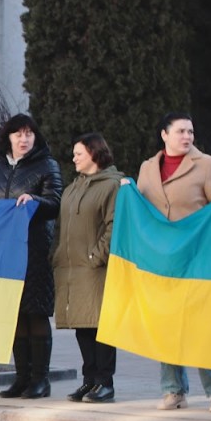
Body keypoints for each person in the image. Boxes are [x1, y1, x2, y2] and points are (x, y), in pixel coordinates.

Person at [137, 112, 211, 411]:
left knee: (203, 325)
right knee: (168, 324)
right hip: (163, 259)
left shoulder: (206, 164)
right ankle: (173, 390)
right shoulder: (147, 168)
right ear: (164, 135)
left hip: (198, 256)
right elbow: (140, 208)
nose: (187, 137)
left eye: (190, 131)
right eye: (180, 131)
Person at [0, 112, 63, 399]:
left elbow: (56, 202)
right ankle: (21, 377)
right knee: (15, 315)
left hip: (35, 250)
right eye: (18, 133)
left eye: (29, 133)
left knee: (36, 312)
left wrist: (35, 201)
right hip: (4, 252)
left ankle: (40, 380)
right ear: (8, 137)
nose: (24, 139)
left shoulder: (47, 165)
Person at [54, 134, 120, 403]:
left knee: (100, 326)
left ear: (94, 154)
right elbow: (61, 225)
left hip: (96, 268)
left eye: (78, 153)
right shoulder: (73, 188)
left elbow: (113, 225)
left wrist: (97, 255)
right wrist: (56, 254)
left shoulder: (112, 186)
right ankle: (89, 380)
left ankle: (105, 383)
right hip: (71, 268)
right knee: (82, 326)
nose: (74, 158)